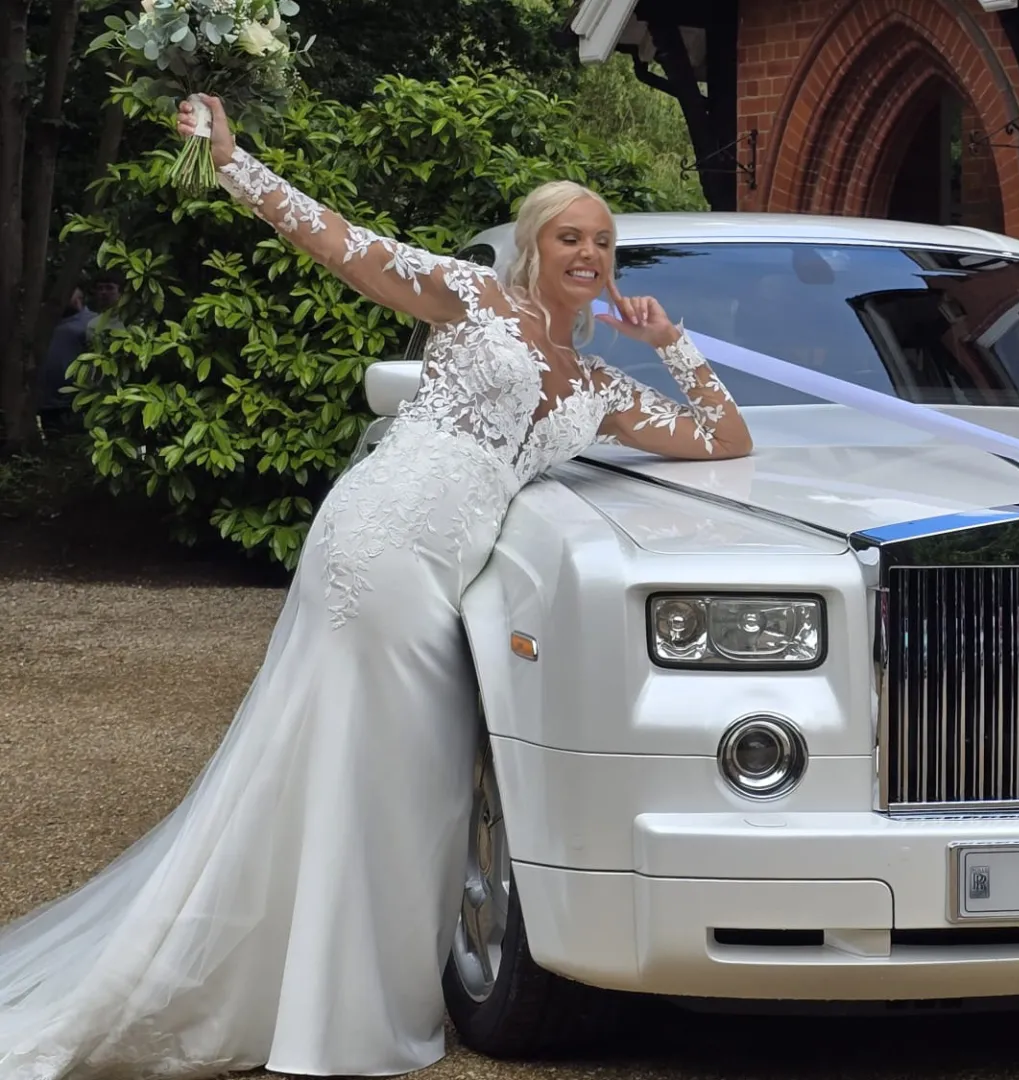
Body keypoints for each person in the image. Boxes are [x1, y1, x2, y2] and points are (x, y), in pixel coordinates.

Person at [0, 94, 751, 1079]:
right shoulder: (475, 296)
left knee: (400, 777)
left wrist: (670, 345)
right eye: (572, 234)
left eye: (604, 243)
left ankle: (321, 995)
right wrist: (232, 163)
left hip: (443, 570)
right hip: (378, 540)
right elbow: (342, 244)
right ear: (535, 243)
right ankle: (324, 1016)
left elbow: (724, 438)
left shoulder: (598, 385)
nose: (590, 254)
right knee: (375, 765)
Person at [36, 287, 93, 437]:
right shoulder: (46, 322)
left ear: (79, 298)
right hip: (46, 401)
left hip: (76, 402)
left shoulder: (92, 322)